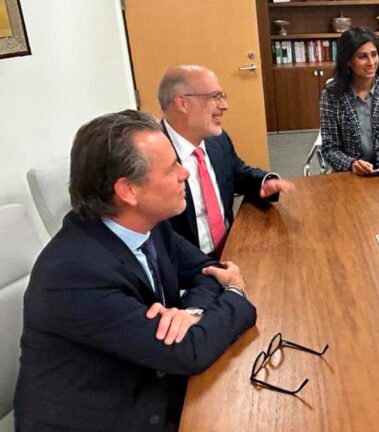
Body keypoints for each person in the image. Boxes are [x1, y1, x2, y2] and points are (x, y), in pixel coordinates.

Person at [14, 110, 257, 431]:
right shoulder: (74, 274)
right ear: (128, 190)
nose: (185, 173)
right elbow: (188, 351)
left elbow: (207, 270)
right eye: (171, 167)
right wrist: (236, 294)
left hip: (151, 381)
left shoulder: (148, 226)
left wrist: (193, 312)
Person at [158, 64, 294, 256]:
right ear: (182, 103)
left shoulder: (217, 140)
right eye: (215, 97)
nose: (224, 106)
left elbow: (237, 173)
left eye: (223, 96)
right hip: (188, 269)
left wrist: (264, 182)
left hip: (232, 249)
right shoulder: (152, 157)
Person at [320, 26, 379, 176]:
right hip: (352, 176)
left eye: (374, 54)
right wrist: (351, 164)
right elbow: (329, 149)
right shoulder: (332, 96)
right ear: (348, 61)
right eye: (362, 57)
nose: (371, 62)